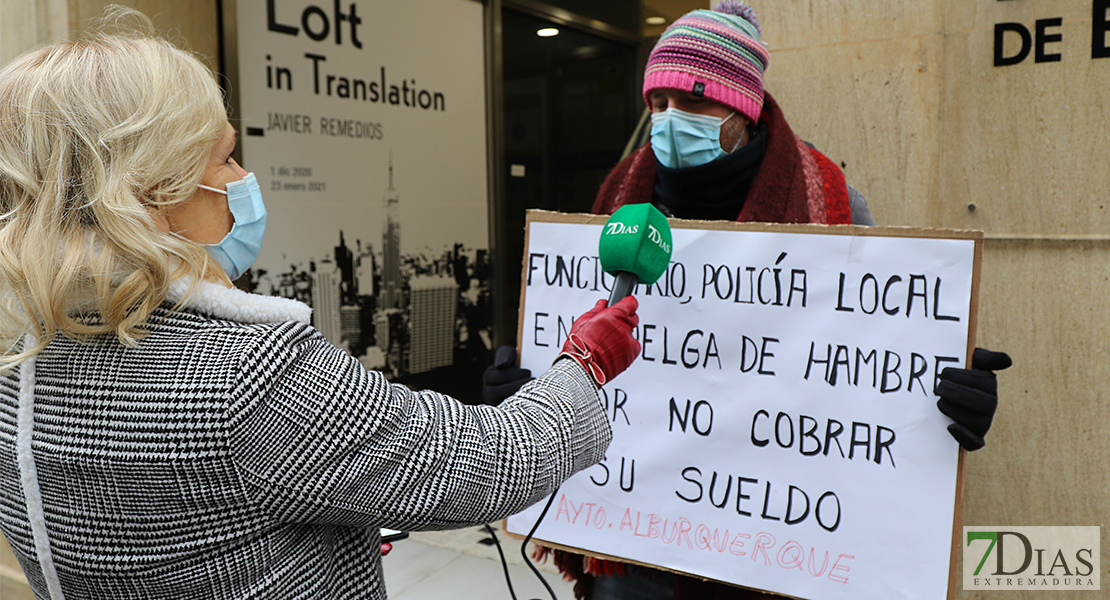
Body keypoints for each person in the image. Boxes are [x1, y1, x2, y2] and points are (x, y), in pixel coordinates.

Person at [0, 13, 643, 600]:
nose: (243, 177)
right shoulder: (242, 377)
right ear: (151, 191)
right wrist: (584, 362)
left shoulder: (17, 363)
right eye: (224, 156)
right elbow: (488, 461)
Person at [485, 2, 1012, 599]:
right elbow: (585, 328)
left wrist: (937, 398)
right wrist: (528, 393)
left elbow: (868, 350)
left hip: (765, 552)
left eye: (693, 100)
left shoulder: (832, 202)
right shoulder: (616, 199)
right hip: (633, 543)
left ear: (744, 107)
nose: (669, 119)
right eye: (657, 103)